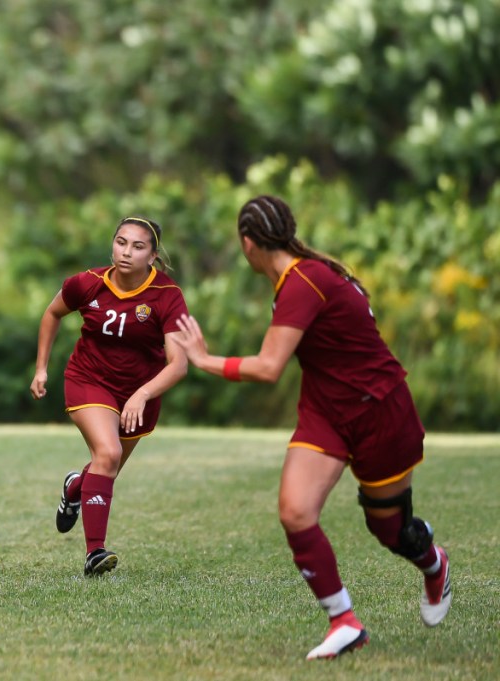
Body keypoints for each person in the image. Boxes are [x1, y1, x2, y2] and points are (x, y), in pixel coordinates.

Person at [170, 195, 451, 660]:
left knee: (392, 533)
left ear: (247, 244)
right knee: (296, 512)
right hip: (326, 412)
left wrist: (203, 359)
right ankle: (345, 621)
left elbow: (268, 367)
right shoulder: (299, 277)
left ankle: (434, 564)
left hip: (379, 412)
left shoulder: (305, 281)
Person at [30, 216, 189, 576]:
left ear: (152, 255)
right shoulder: (86, 283)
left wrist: (142, 395)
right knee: (108, 453)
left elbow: (178, 365)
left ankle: (76, 487)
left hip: (140, 393)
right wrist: (41, 368)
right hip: (89, 380)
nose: (126, 252)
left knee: (107, 468)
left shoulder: (167, 296)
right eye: (121, 242)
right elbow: (53, 313)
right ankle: (94, 553)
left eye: (137, 246)